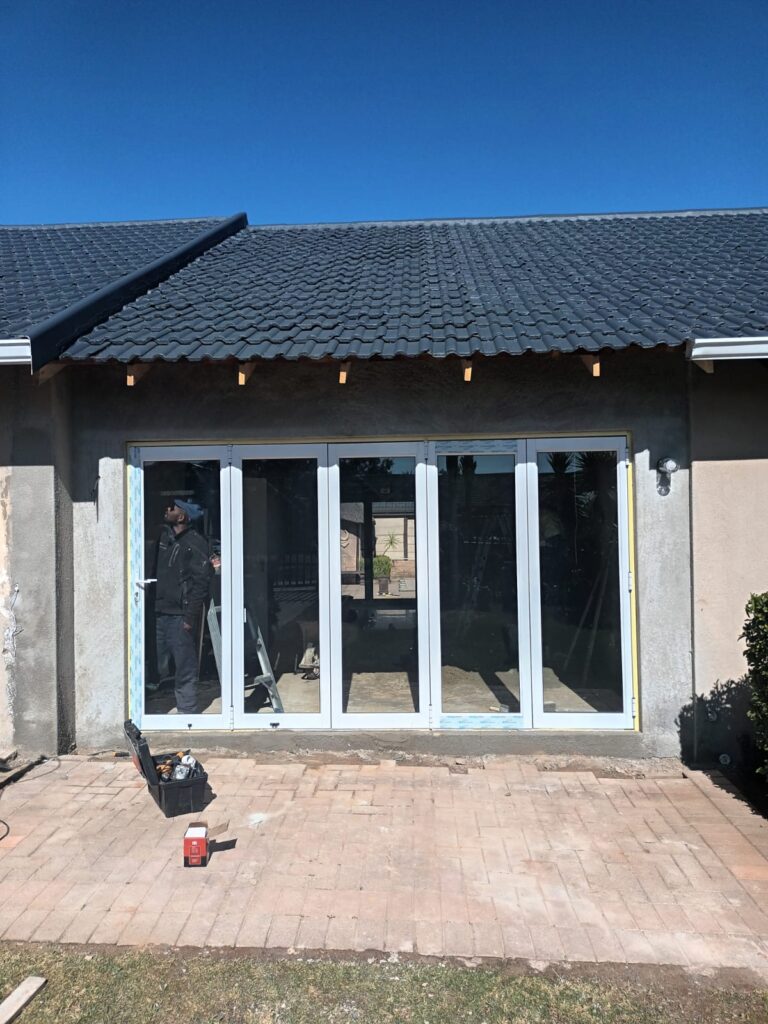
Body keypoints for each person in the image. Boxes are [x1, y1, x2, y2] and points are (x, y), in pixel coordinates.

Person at [153, 498, 212, 714]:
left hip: (180, 615)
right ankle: (155, 704)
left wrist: (190, 617)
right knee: (159, 662)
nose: (167, 509)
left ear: (181, 516)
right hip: (159, 611)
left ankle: (187, 711)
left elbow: (201, 583)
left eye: (172, 508)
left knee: (184, 663)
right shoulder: (164, 538)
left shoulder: (195, 543)